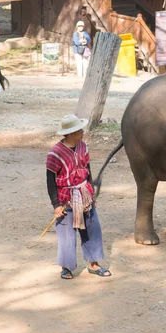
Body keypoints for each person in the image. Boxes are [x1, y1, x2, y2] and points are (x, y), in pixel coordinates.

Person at [46, 114, 111, 280]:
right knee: (66, 233)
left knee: (92, 228)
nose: (82, 132)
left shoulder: (84, 147)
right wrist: (56, 205)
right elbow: (50, 180)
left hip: (84, 195)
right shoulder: (55, 154)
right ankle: (66, 267)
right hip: (65, 198)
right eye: (79, 130)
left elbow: (87, 170)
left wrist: (90, 192)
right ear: (70, 133)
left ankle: (93, 264)